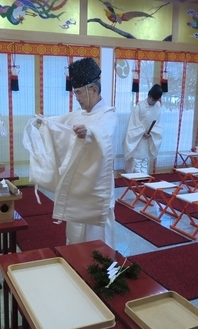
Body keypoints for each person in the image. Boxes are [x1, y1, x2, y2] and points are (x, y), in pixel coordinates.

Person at [23, 57, 118, 248]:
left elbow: (105, 134)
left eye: (80, 93)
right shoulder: (78, 114)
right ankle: (75, 265)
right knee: (74, 234)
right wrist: (45, 122)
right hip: (77, 186)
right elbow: (59, 123)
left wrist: (90, 132)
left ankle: (98, 272)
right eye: (76, 94)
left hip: (96, 189)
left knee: (96, 240)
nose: (78, 98)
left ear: (94, 90)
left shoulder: (108, 114)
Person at [123, 84, 163, 174]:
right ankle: (136, 177)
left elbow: (158, 123)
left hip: (149, 136)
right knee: (137, 159)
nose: (153, 102)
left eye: (155, 100)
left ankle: (144, 179)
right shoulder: (140, 106)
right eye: (152, 99)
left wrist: (152, 133)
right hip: (138, 137)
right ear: (149, 96)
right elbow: (133, 123)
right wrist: (141, 132)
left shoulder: (157, 106)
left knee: (145, 159)